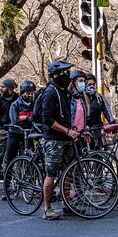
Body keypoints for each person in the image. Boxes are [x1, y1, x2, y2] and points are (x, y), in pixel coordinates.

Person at [40, 59, 78, 221]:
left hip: (67, 137)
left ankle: (67, 203)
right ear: (55, 75)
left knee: (68, 171)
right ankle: (47, 208)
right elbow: (47, 118)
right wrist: (66, 130)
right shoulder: (50, 92)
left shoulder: (65, 92)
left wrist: (74, 130)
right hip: (54, 139)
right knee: (51, 174)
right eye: (64, 73)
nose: (67, 75)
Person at [2, 80, 36, 200]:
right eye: (28, 93)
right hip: (15, 134)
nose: (30, 95)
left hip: (29, 135)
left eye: (32, 93)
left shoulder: (34, 104)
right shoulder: (15, 105)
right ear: (22, 93)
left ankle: (32, 186)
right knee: (10, 159)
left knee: (33, 160)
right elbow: (15, 120)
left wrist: (26, 118)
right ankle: (6, 188)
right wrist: (28, 119)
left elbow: (36, 118)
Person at [0, 78, 18, 191]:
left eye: (3, 87)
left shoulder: (17, 98)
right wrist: (0, 129)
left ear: (10, 89)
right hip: (3, 131)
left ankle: (13, 180)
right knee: (0, 155)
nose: (1, 89)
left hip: (15, 130)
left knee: (13, 157)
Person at [83, 73, 116, 149]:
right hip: (85, 131)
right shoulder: (81, 97)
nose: (91, 86)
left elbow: (107, 110)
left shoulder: (99, 97)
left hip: (97, 130)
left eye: (93, 84)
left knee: (99, 153)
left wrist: (112, 123)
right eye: (88, 84)